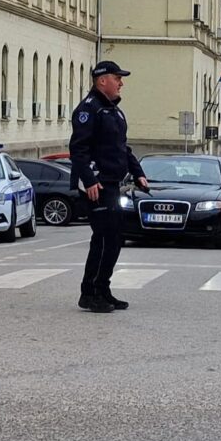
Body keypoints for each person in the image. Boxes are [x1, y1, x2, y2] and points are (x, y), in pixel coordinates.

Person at [69, 60, 148, 313]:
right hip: (98, 185)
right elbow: (78, 149)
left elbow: (122, 148)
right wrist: (90, 179)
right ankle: (89, 292)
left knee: (114, 239)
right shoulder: (89, 110)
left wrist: (138, 173)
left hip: (113, 183)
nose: (121, 82)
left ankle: (103, 288)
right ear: (102, 80)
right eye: (117, 78)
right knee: (103, 239)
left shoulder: (114, 111)